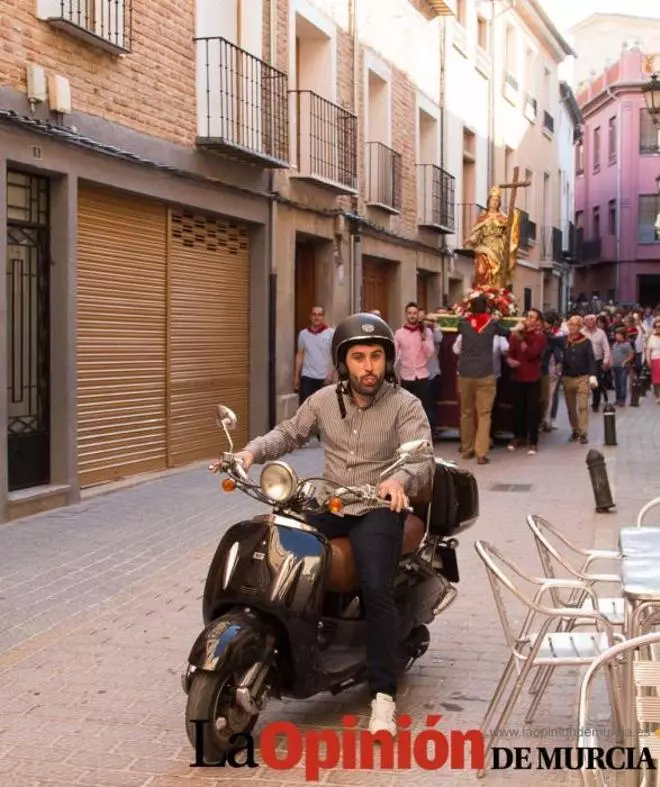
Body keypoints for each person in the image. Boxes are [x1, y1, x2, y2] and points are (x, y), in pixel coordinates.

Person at [231, 312, 434, 735]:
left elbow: (420, 459)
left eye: (376, 356)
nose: (368, 366)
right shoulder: (324, 400)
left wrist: (398, 480)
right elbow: (288, 433)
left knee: (376, 590)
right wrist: (249, 454)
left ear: (387, 360)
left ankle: (382, 696)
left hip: (377, 508)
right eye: (358, 357)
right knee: (280, 550)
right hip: (332, 502)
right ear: (344, 363)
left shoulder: (405, 405)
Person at [453, 294, 517, 464]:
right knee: (484, 414)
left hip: (465, 372)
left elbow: (458, 330)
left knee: (466, 413)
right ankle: (481, 453)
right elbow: (508, 332)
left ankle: (467, 450)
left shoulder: (463, 323)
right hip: (486, 373)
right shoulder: (492, 324)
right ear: (487, 308)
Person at [550, 315, 598, 444]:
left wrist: (592, 376)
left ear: (580, 327)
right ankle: (575, 430)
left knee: (582, 406)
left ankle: (583, 432)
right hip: (567, 378)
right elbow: (549, 340)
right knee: (571, 408)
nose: (572, 327)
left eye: (575, 325)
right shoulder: (564, 340)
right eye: (570, 324)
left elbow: (591, 359)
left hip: (582, 377)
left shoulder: (586, 341)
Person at [506, 308, 547, 456]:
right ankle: (518, 436)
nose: (527, 319)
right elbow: (510, 353)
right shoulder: (515, 336)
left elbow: (531, 354)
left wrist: (522, 338)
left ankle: (533, 442)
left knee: (532, 410)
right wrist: (510, 361)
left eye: (531, 317)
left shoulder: (539, 336)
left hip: (532, 377)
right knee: (518, 409)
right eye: (527, 316)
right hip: (517, 376)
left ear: (537, 322)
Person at [464, 186, 520, 290]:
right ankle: (482, 290)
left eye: (497, 200)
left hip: (498, 248)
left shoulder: (503, 218)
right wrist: (470, 240)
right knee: (481, 270)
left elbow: (509, 232)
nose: (494, 202)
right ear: (488, 201)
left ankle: (494, 292)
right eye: (492, 200)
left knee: (496, 273)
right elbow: (477, 233)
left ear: (499, 203)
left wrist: (515, 218)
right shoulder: (482, 218)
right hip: (484, 246)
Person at [394, 302, 435, 413]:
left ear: (418, 315)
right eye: (410, 313)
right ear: (406, 315)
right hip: (406, 377)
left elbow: (430, 353)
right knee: (407, 410)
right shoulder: (399, 333)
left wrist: (423, 339)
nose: (412, 315)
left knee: (423, 410)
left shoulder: (427, 332)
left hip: (422, 376)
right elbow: (395, 354)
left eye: (415, 313)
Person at [293, 306, 335, 406]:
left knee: (323, 408)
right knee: (307, 407)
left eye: (319, 315)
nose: (317, 317)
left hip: (324, 378)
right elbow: (300, 354)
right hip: (307, 377)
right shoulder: (303, 334)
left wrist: (331, 374)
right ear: (310, 316)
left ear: (323, 317)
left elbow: (334, 355)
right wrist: (296, 377)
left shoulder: (330, 333)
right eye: (314, 314)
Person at [611, 328, 635, 406]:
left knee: (622, 383)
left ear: (623, 335)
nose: (616, 336)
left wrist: (625, 361)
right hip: (615, 366)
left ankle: (622, 399)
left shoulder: (627, 344)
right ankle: (617, 398)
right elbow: (612, 354)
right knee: (616, 384)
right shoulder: (614, 344)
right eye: (616, 335)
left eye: (618, 335)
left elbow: (631, 355)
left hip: (623, 367)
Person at [646, 316, 660, 403]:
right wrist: (648, 360)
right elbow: (648, 350)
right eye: (656, 326)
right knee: (656, 380)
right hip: (655, 359)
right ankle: (658, 395)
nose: (658, 328)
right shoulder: (652, 337)